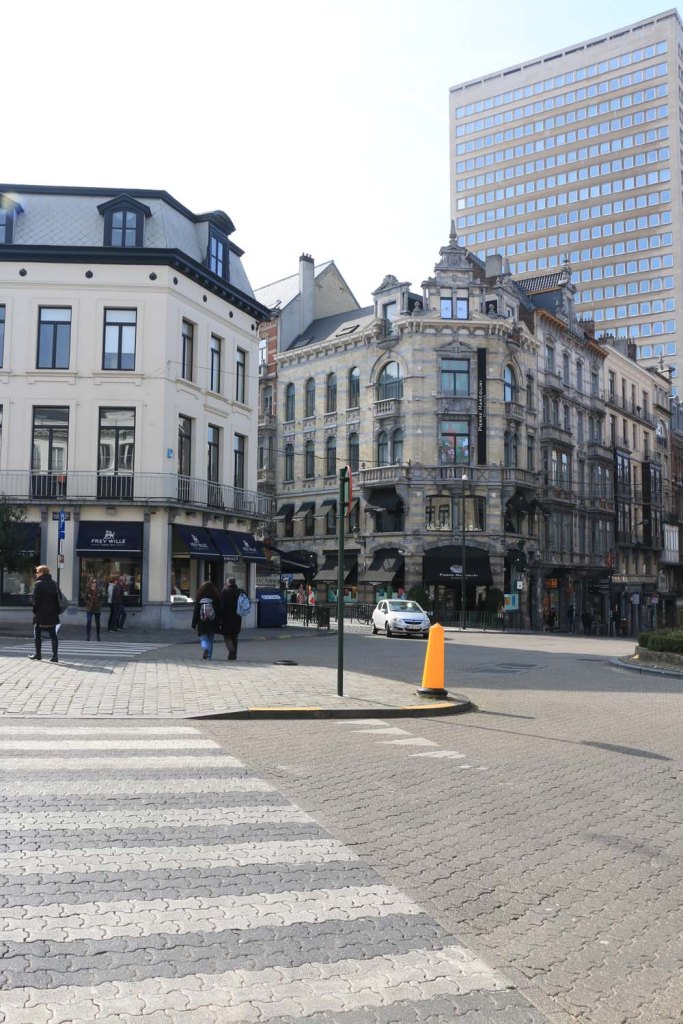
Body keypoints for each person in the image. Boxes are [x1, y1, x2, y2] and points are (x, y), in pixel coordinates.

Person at [30, 565, 60, 662]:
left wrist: (34, 610)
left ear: (42, 573)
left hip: (41, 614)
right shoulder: (54, 583)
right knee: (53, 635)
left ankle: (38, 655)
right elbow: (58, 599)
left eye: (37, 572)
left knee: (37, 634)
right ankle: (55, 656)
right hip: (52, 613)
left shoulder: (38, 584)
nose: (36, 574)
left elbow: (36, 600)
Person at [191, 580, 220, 660]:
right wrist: (219, 621)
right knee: (211, 639)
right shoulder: (215, 597)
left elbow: (196, 612)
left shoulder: (199, 597)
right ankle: (209, 657)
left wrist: (193, 624)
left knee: (203, 638)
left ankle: (205, 648)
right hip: (213, 621)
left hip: (202, 622)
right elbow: (219, 611)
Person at [219, 576, 242, 661]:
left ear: (228, 582)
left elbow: (221, 606)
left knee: (227, 636)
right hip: (237, 617)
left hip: (226, 618)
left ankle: (231, 651)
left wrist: (219, 617)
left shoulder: (225, 592)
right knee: (235, 636)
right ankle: (233, 656)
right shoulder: (239, 592)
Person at [84, 576, 104, 641]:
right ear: (91, 583)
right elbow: (85, 599)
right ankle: (88, 636)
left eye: (95, 582)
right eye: (93, 582)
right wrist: (90, 603)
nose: (94, 583)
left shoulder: (99, 590)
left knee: (97, 623)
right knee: (89, 621)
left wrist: (99, 604)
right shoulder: (88, 590)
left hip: (97, 609)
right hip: (89, 609)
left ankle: (98, 636)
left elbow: (102, 599)